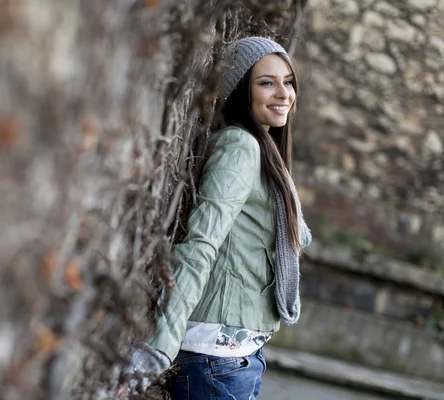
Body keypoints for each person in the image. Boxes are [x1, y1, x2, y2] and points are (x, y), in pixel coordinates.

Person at [121, 36, 312, 400]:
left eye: (288, 82)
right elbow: (201, 243)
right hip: (215, 359)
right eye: (266, 82)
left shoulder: (267, 153)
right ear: (241, 90)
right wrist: (159, 345)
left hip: (240, 355)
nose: (283, 93)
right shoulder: (241, 147)